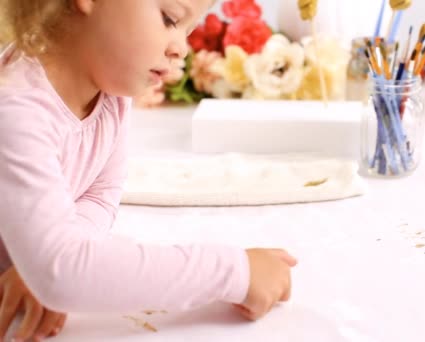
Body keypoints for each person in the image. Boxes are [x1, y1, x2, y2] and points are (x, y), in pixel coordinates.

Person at [0, 1, 297, 341]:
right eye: (169, 19)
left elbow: (99, 194)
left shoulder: (109, 93)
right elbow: (63, 270)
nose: (181, 49)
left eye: (189, 31)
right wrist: (235, 271)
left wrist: (38, 259)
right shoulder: (16, 107)